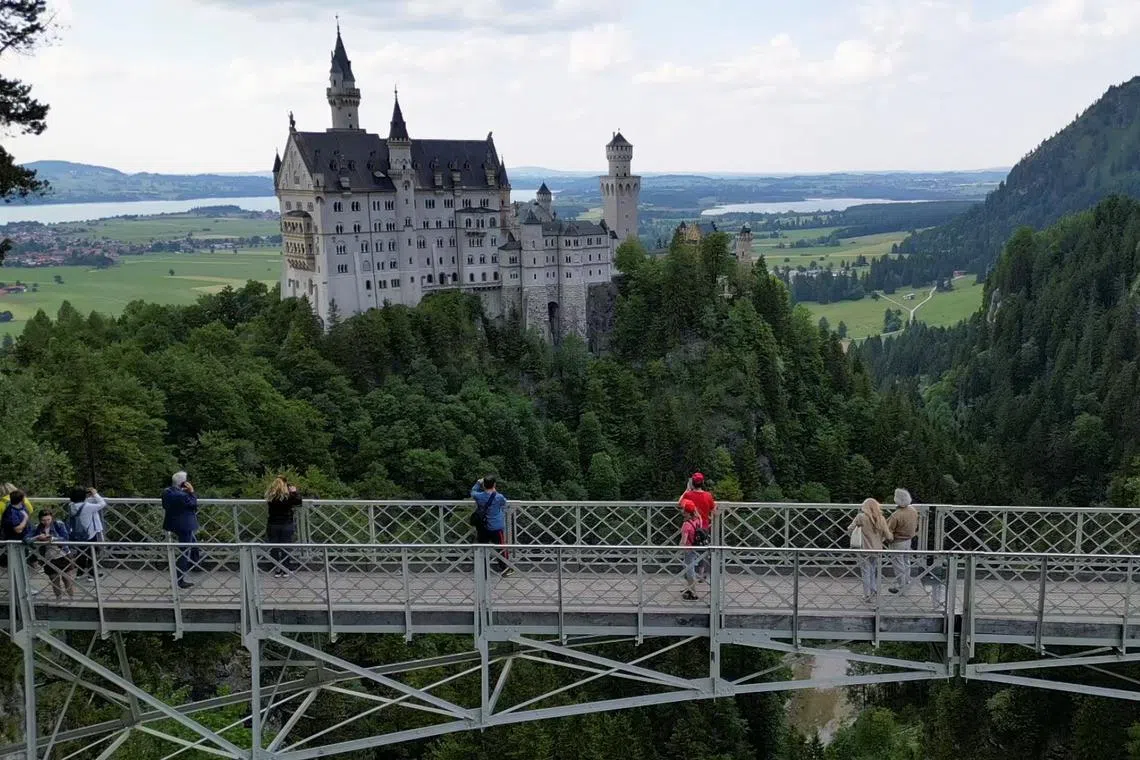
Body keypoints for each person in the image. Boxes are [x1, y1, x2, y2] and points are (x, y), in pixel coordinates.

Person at [25, 509, 75, 600]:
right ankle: (59, 598)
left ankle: (71, 597)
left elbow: (65, 538)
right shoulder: (37, 527)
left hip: (62, 553)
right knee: (54, 579)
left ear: (52, 518)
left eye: (48, 520)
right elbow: (26, 539)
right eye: (43, 520)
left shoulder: (59, 524)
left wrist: (53, 538)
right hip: (47, 556)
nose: (46, 522)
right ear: (40, 520)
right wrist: (37, 537)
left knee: (67, 578)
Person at [848, 498, 892, 601]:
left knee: (865, 572)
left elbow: (849, 529)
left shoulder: (861, 517)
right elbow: (888, 535)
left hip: (864, 549)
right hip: (877, 550)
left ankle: (866, 594)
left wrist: (856, 531)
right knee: (873, 570)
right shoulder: (881, 518)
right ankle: (874, 590)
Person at [162, 471, 199, 589]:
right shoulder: (183, 496)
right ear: (183, 483)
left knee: (194, 544)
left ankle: (196, 563)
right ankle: (179, 580)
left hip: (172, 524)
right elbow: (193, 504)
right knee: (184, 552)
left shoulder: (167, 492)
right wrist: (192, 492)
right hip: (185, 526)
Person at [471, 476, 511, 576]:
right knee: (501, 547)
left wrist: (477, 483)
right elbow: (504, 502)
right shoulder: (498, 497)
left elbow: (473, 491)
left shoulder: (479, 496)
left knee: (482, 548)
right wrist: (494, 490)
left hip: (483, 527)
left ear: (484, 485)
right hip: (496, 526)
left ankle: (482, 570)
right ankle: (504, 569)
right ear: (494, 484)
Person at [66, 486, 109, 577]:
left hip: (77, 533)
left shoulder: (71, 506)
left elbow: (81, 503)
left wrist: (88, 497)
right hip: (89, 534)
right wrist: (95, 494)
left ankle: (80, 572)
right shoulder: (88, 506)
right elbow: (102, 503)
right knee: (92, 553)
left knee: (81, 552)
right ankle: (92, 573)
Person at [265, 476, 301, 578]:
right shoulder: (288, 496)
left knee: (274, 547)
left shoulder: (271, 496)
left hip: (273, 523)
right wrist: (294, 492)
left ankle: (277, 568)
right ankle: (285, 568)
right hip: (286, 523)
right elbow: (298, 502)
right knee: (286, 546)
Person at [886, 488, 919, 594]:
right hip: (908, 540)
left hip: (897, 542)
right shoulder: (913, 510)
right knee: (906, 562)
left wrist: (887, 539)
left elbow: (889, 531)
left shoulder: (896, 515)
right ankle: (906, 583)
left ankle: (901, 587)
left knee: (898, 565)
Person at [679, 499, 706, 601]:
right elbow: (699, 516)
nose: (682, 511)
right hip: (696, 548)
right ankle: (689, 588)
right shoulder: (697, 521)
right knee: (689, 569)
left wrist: (679, 547)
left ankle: (693, 592)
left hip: (688, 550)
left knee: (689, 571)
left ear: (686, 513)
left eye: (684, 510)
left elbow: (684, 540)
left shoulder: (686, 525)